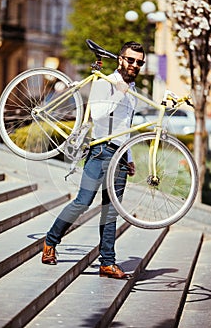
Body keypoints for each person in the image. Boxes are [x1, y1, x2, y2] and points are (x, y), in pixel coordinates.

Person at [42, 41, 145, 279]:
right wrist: (119, 93)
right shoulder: (104, 83)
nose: (135, 65)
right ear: (120, 60)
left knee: (111, 211)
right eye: (131, 60)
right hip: (100, 152)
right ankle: (50, 241)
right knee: (82, 202)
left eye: (139, 62)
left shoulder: (134, 90)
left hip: (119, 156)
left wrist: (129, 157)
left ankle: (107, 262)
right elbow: (98, 114)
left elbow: (125, 126)